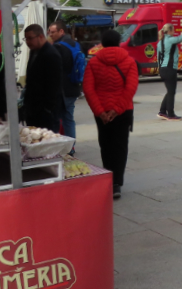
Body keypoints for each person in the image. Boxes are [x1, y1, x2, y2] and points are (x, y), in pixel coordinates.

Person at [83, 29, 138, 199]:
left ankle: (108, 177)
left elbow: (88, 89)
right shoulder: (129, 62)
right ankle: (117, 183)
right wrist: (118, 109)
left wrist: (101, 111)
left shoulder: (93, 63)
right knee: (120, 146)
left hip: (102, 113)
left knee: (106, 145)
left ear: (102, 43)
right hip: (123, 111)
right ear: (119, 42)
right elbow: (131, 88)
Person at [48, 21, 84, 148]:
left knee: (57, 119)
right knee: (69, 118)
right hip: (74, 87)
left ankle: (62, 146)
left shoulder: (58, 47)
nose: (50, 34)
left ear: (61, 31)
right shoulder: (75, 44)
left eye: (53, 32)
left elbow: (56, 70)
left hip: (62, 89)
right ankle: (71, 147)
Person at [22, 24, 64, 131]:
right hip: (33, 108)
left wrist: (47, 109)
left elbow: (54, 84)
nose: (27, 42)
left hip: (45, 112)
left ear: (40, 37)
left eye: (30, 38)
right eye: (26, 39)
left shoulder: (51, 54)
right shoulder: (34, 51)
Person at [157, 18, 182, 121]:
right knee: (172, 91)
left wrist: (160, 69)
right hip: (170, 69)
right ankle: (171, 114)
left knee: (169, 91)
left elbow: (158, 57)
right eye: (173, 30)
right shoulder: (171, 40)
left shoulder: (159, 43)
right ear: (169, 31)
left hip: (162, 69)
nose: (174, 32)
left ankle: (162, 111)